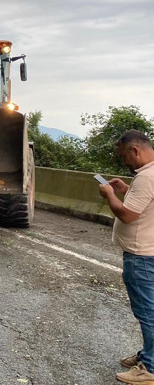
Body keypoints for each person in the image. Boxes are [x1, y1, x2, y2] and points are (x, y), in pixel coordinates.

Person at [98, 130, 154, 384]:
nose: (124, 163)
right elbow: (147, 204)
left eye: (124, 157)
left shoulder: (146, 177)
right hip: (149, 251)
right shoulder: (148, 176)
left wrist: (109, 195)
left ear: (135, 151)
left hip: (141, 256)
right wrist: (125, 189)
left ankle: (150, 368)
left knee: (147, 312)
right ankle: (148, 354)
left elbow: (129, 216)